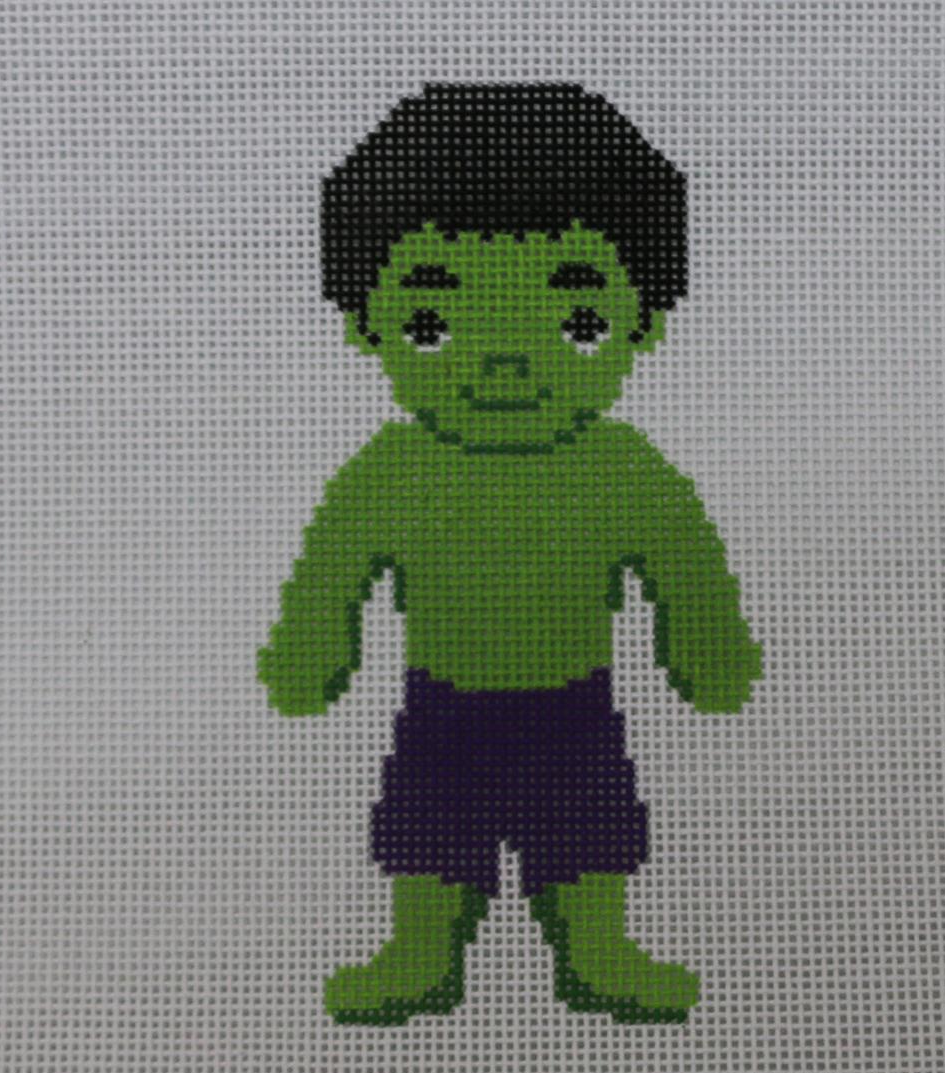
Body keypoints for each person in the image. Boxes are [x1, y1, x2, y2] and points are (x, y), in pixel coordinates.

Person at [259, 83, 762, 1025]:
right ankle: (420, 948)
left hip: (574, 704)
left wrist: (709, 648)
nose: (503, 360)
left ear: (645, 324)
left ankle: (598, 946)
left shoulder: (623, 467)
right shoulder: (391, 470)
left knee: (589, 828)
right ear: (365, 326)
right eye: (432, 324)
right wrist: (310, 649)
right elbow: (334, 568)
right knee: (427, 828)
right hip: (441, 703)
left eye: (577, 322)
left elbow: (683, 563)